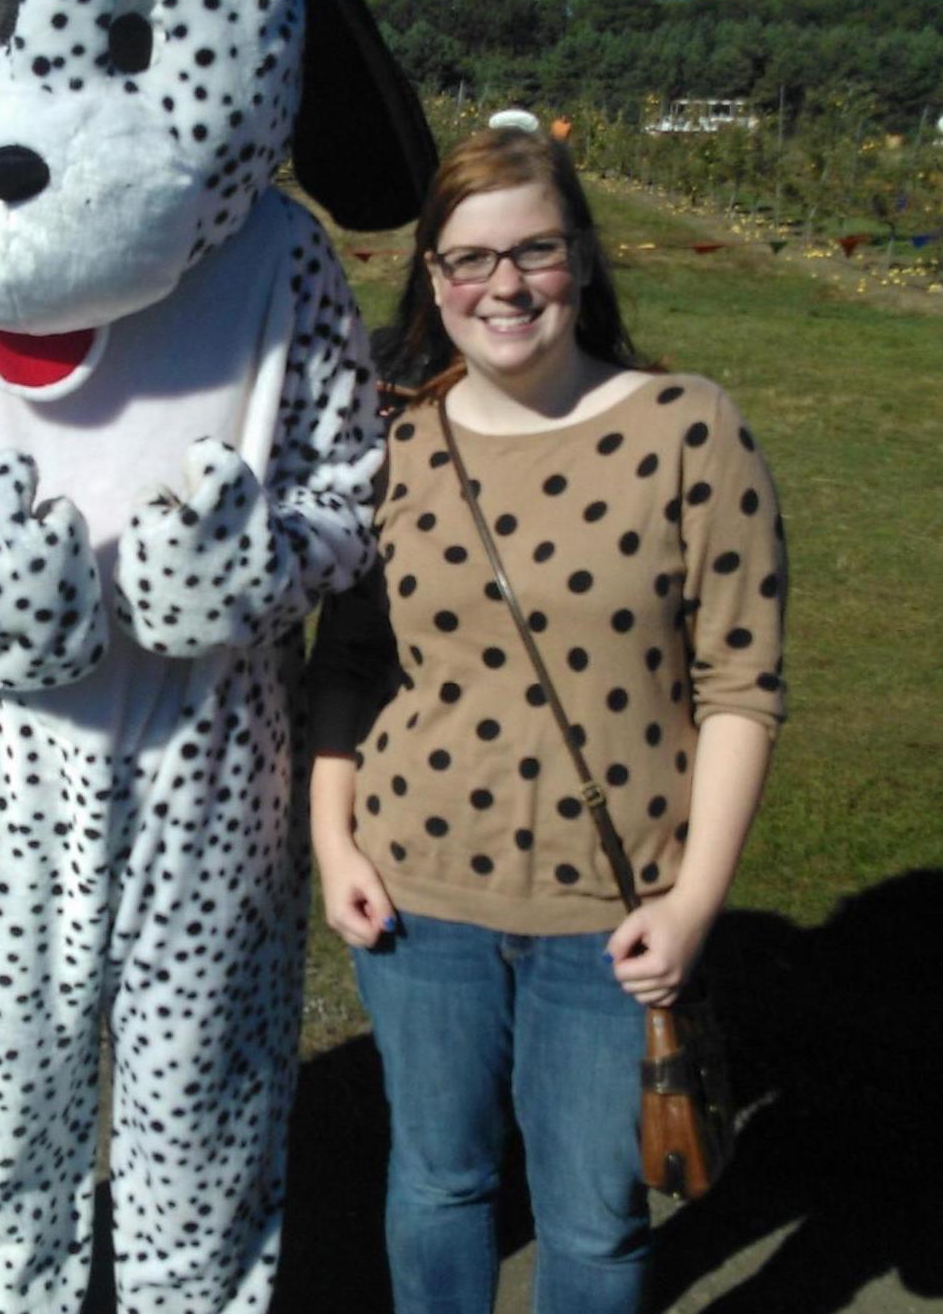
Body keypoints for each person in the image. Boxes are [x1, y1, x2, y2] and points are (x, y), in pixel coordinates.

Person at [307, 121, 787, 1314]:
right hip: (419, 895)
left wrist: (691, 902)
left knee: (594, 1219)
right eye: (466, 260)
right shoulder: (395, 441)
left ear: (581, 256)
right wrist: (332, 840)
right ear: (432, 278)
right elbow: (351, 664)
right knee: (437, 1184)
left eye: (533, 251)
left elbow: (740, 687)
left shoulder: (688, 427)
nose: (502, 285)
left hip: (610, 919)